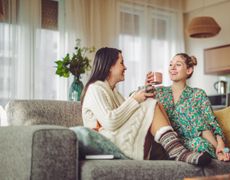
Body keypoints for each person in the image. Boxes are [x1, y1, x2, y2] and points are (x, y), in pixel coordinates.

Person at [81, 47, 212, 165]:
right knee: (151, 103)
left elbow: (130, 113)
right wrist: (135, 99)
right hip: (106, 143)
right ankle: (176, 151)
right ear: (110, 66)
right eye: (121, 63)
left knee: (155, 103)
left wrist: (144, 88)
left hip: (117, 136)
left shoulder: (113, 91)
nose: (125, 67)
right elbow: (110, 122)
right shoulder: (95, 89)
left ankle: (173, 150)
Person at [146, 53, 230, 161]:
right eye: (170, 64)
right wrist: (147, 86)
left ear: (189, 70)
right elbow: (137, 102)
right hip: (167, 142)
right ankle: (216, 150)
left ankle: (218, 149)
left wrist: (221, 144)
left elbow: (212, 121)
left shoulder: (198, 94)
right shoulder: (159, 92)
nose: (172, 67)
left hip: (190, 142)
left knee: (201, 144)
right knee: (187, 110)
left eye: (178, 65)